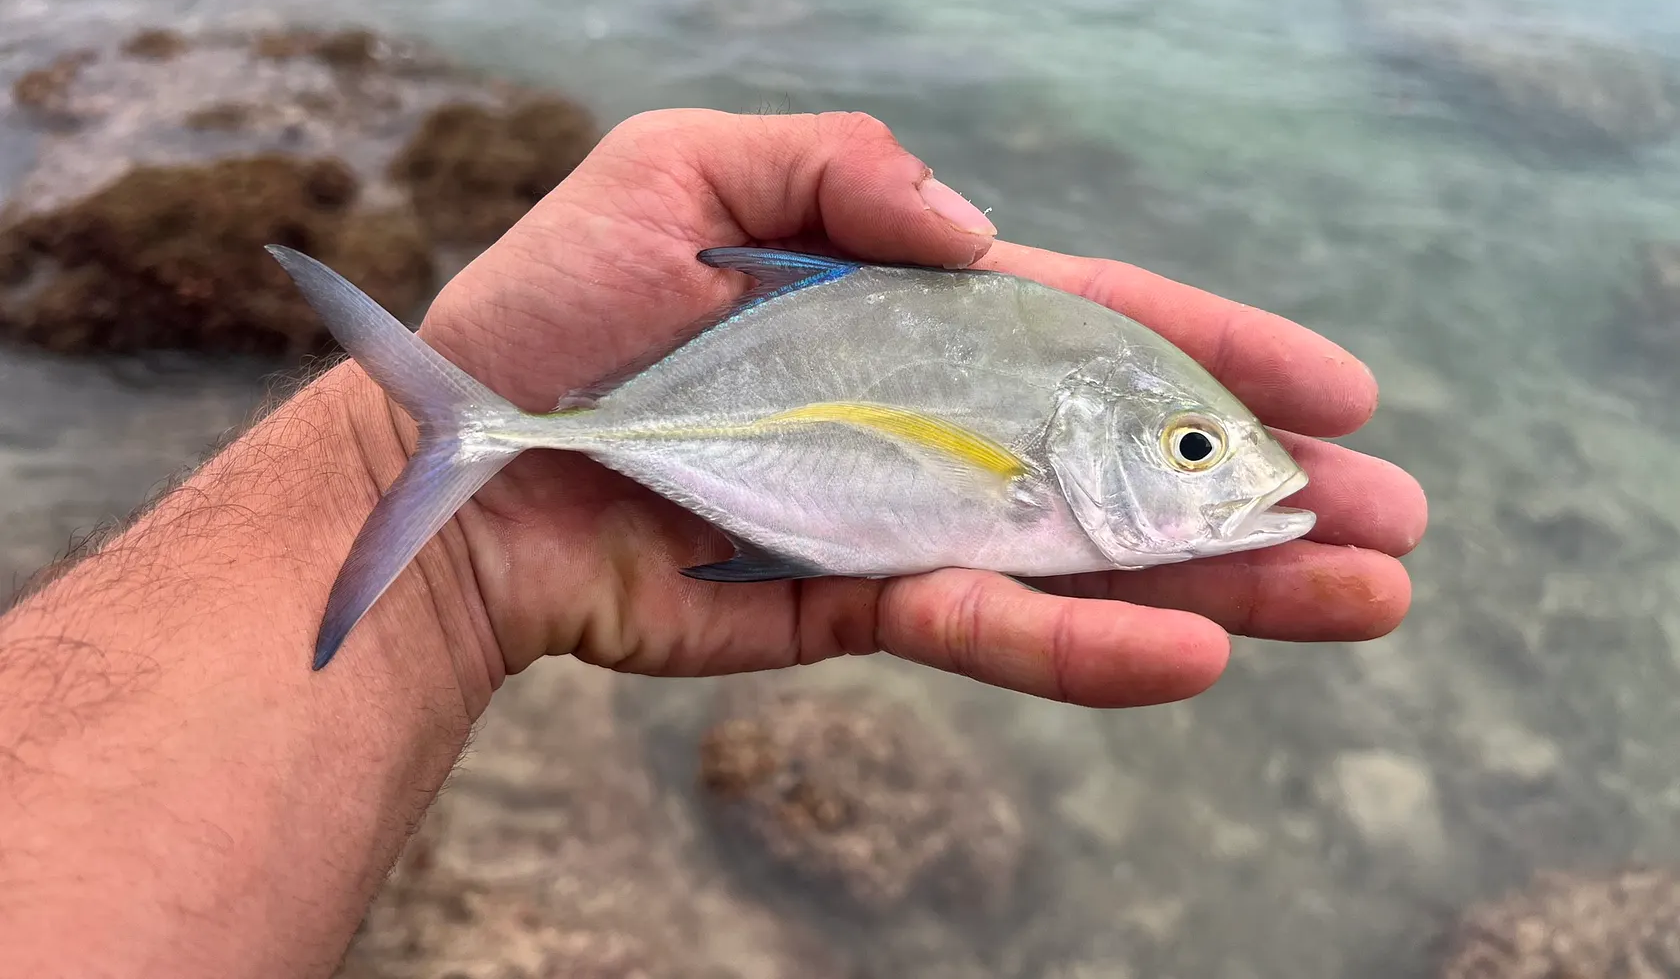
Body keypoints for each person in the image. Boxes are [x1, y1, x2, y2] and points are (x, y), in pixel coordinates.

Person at [0, 109, 1426, 977]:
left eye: (1201, 453)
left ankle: (457, 434)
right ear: (1100, 428)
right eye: (1193, 447)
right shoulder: (1056, 413)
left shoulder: (1064, 415)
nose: (1220, 475)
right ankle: (460, 432)